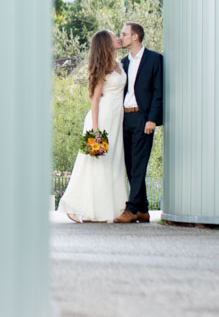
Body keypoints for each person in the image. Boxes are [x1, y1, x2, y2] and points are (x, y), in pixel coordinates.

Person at [58, 30, 129, 223]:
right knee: (95, 164)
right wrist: (95, 129)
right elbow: (95, 99)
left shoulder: (119, 64)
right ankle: (80, 206)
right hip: (102, 119)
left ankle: (107, 209)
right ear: (106, 42)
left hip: (116, 119)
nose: (118, 38)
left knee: (113, 163)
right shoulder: (103, 68)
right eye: (114, 36)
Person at [114, 22, 163, 224]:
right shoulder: (123, 62)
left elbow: (158, 92)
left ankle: (131, 209)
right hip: (125, 118)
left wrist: (152, 119)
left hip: (143, 118)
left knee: (139, 165)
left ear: (135, 37)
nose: (121, 37)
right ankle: (143, 208)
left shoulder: (155, 59)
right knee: (130, 164)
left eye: (124, 34)